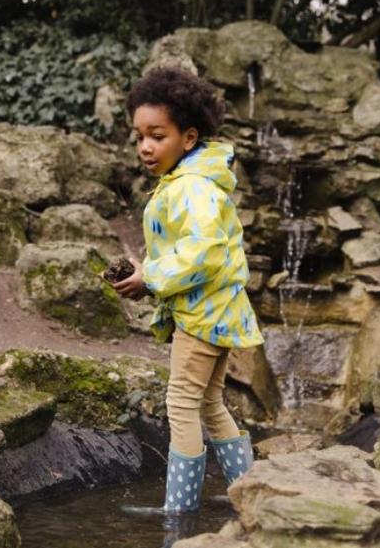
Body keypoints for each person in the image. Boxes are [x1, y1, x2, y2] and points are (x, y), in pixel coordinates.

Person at [113, 66, 263, 517]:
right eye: (139, 136)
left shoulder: (193, 188)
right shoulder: (190, 181)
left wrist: (150, 276)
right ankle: (249, 493)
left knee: (180, 402)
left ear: (189, 137)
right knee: (211, 402)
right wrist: (149, 279)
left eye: (157, 135)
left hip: (202, 316)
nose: (145, 146)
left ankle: (179, 511)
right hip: (214, 311)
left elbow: (202, 254)